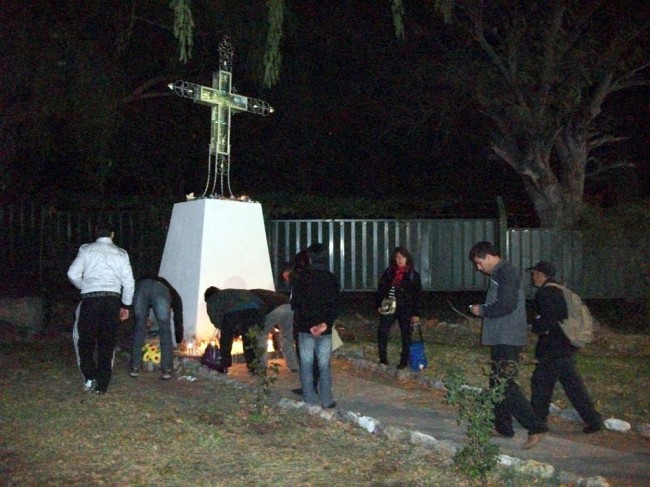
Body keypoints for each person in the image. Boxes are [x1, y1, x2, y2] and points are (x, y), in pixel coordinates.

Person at [468, 241, 548, 449]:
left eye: (479, 263)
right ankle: (503, 427)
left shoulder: (506, 272)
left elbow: (506, 304)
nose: (478, 268)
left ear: (487, 256)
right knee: (497, 383)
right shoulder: (499, 273)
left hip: (508, 336)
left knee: (506, 385)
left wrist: (482, 310)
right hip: (501, 336)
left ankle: (536, 426)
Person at [526, 261, 603, 434]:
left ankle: (537, 421)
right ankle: (593, 419)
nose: (533, 277)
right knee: (572, 386)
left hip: (552, 347)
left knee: (541, 385)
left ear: (541, 274)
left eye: (534, 273)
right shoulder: (561, 290)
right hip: (566, 345)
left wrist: (535, 324)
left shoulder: (545, 293)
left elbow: (548, 319)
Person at [67, 222, 135, 395]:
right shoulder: (121, 253)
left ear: (96, 234)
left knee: (86, 341)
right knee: (107, 342)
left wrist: (86, 286)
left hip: (91, 301)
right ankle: (102, 385)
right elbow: (128, 282)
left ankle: (90, 376)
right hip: (112, 301)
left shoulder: (86, 250)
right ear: (112, 235)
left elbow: (72, 274)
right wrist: (126, 304)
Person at [291, 243, 340, 408]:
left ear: (310, 257)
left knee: (306, 364)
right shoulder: (331, 278)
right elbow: (336, 305)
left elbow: (296, 303)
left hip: (306, 327)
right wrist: (325, 324)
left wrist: (311, 324)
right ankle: (327, 400)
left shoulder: (301, 278)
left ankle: (309, 399)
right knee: (324, 365)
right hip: (325, 329)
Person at [129, 276, 184, 380]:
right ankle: (167, 369)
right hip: (159, 288)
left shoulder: (166, 288)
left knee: (139, 325)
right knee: (165, 327)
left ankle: (134, 367)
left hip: (141, 285)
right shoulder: (174, 297)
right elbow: (178, 318)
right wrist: (179, 339)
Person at [376, 246, 422, 369]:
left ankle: (403, 361)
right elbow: (381, 289)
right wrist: (379, 304)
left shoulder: (413, 275)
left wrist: (416, 313)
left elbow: (417, 295)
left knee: (406, 334)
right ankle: (383, 359)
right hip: (389, 305)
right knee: (382, 331)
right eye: (398, 257)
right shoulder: (389, 272)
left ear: (407, 259)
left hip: (405, 308)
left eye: (403, 257)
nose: (400, 260)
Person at [204, 286, 264, 374]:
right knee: (249, 340)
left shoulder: (212, 299)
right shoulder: (232, 292)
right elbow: (259, 302)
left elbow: (215, 318)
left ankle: (224, 365)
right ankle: (254, 367)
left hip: (233, 313)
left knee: (226, 340)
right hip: (254, 310)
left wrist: (224, 328)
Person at [250, 288, 300, 371]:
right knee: (287, 337)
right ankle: (294, 366)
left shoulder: (249, 296)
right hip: (289, 306)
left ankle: (262, 365)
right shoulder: (261, 292)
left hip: (274, 309)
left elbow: (258, 311)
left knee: (261, 335)